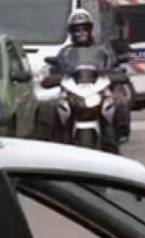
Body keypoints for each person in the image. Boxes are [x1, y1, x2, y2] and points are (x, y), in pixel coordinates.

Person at [49, 9, 123, 151]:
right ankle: (58, 141)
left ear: (90, 30)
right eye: (77, 29)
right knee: (52, 108)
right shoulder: (66, 52)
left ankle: (116, 136)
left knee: (119, 102)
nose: (81, 33)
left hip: (97, 90)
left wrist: (116, 74)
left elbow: (113, 65)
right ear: (72, 32)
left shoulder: (103, 50)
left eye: (84, 29)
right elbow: (57, 69)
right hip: (74, 92)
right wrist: (53, 77)